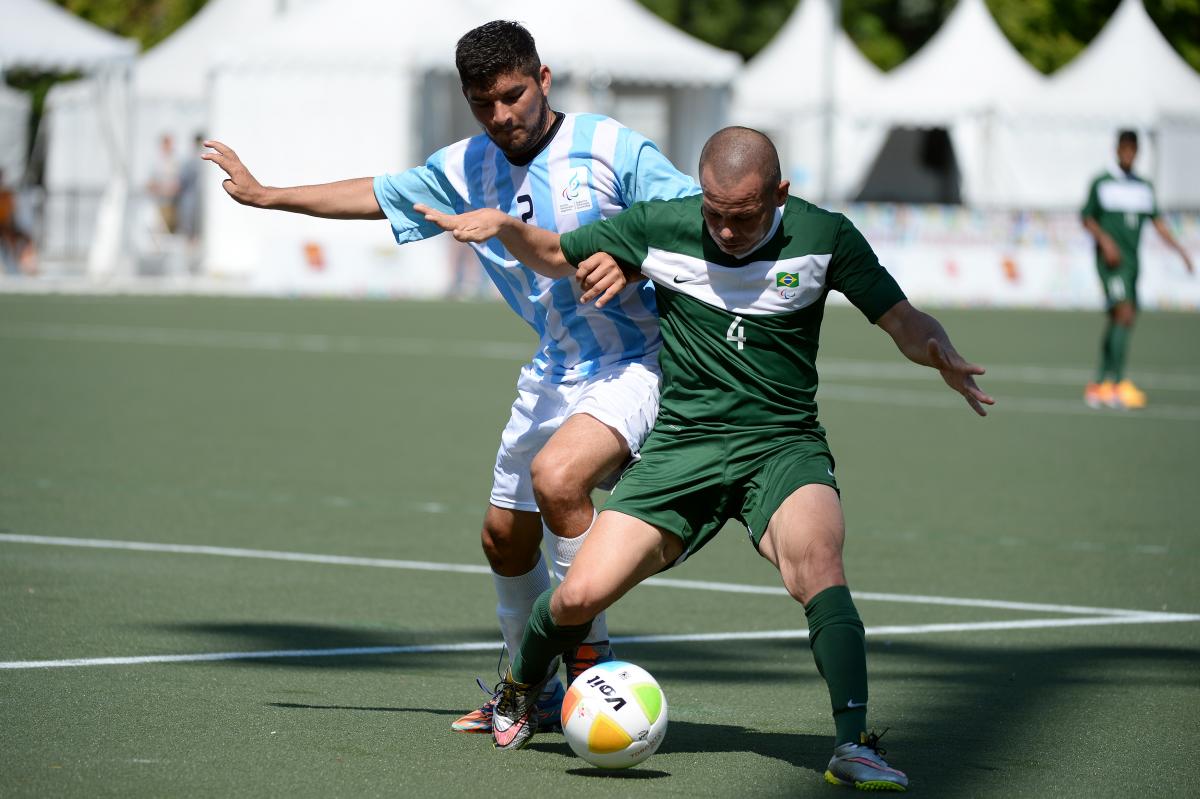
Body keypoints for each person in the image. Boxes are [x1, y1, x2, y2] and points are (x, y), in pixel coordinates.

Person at [418, 126, 993, 792]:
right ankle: (521, 685)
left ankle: (852, 742)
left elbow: (901, 318)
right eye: (712, 212)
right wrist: (504, 228)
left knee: (819, 563)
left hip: (782, 445)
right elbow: (552, 253)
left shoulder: (826, 236)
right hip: (682, 450)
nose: (722, 229)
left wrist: (938, 350)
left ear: (780, 193)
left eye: (741, 215)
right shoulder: (662, 225)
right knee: (576, 593)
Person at [201, 20, 699, 732]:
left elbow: (690, 214)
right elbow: (379, 193)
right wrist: (270, 193)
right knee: (502, 537)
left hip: (638, 358)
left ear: (544, 79)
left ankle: (592, 671)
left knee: (559, 479)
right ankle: (530, 692)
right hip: (556, 364)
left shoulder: (611, 145)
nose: (501, 116)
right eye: (483, 103)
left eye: (513, 95)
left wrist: (629, 250)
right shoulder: (468, 167)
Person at [1082, 130, 1193, 410]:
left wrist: (1180, 250)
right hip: (1111, 263)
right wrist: (1105, 241)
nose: (1128, 154)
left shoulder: (1144, 187)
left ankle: (1099, 384)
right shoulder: (1102, 182)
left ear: (1137, 152)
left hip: (1132, 264)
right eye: (1125, 149)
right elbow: (1086, 217)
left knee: (1120, 318)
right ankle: (1117, 384)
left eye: (1133, 149)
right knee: (1124, 313)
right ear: (1117, 150)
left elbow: (1157, 222)